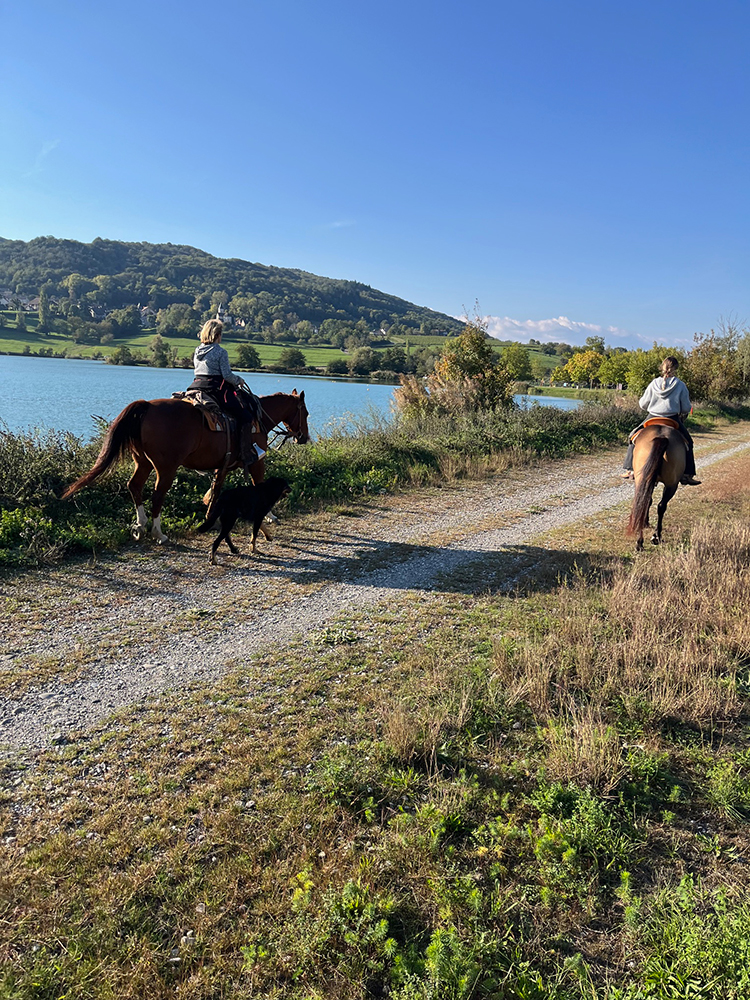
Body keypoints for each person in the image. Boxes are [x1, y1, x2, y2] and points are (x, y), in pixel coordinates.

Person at [187, 319, 264, 469]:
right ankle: (245, 453)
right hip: (215, 390)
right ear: (217, 334)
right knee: (245, 416)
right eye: (221, 333)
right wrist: (239, 380)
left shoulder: (197, 350)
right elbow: (227, 376)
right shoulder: (221, 352)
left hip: (196, 387)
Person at [620, 356, 700, 485]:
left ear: (662, 368)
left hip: (652, 417)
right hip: (672, 418)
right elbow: (686, 407)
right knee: (688, 442)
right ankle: (687, 474)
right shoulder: (680, 385)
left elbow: (643, 404)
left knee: (632, 436)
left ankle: (630, 469)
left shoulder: (653, 383)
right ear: (676, 369)